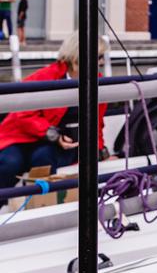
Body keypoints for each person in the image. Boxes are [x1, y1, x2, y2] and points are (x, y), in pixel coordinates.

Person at [0, 31, 108, 193]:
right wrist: (53, 135)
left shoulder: (98, 84)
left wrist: (99, 150)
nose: (101, 62)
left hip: (63, 143)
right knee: (9, 162)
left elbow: (96, 124)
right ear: (78, 56)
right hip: (23, 136)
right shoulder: (46, 76)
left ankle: (41, 205)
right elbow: (23, 113)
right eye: (99, 57)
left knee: (43, 158)